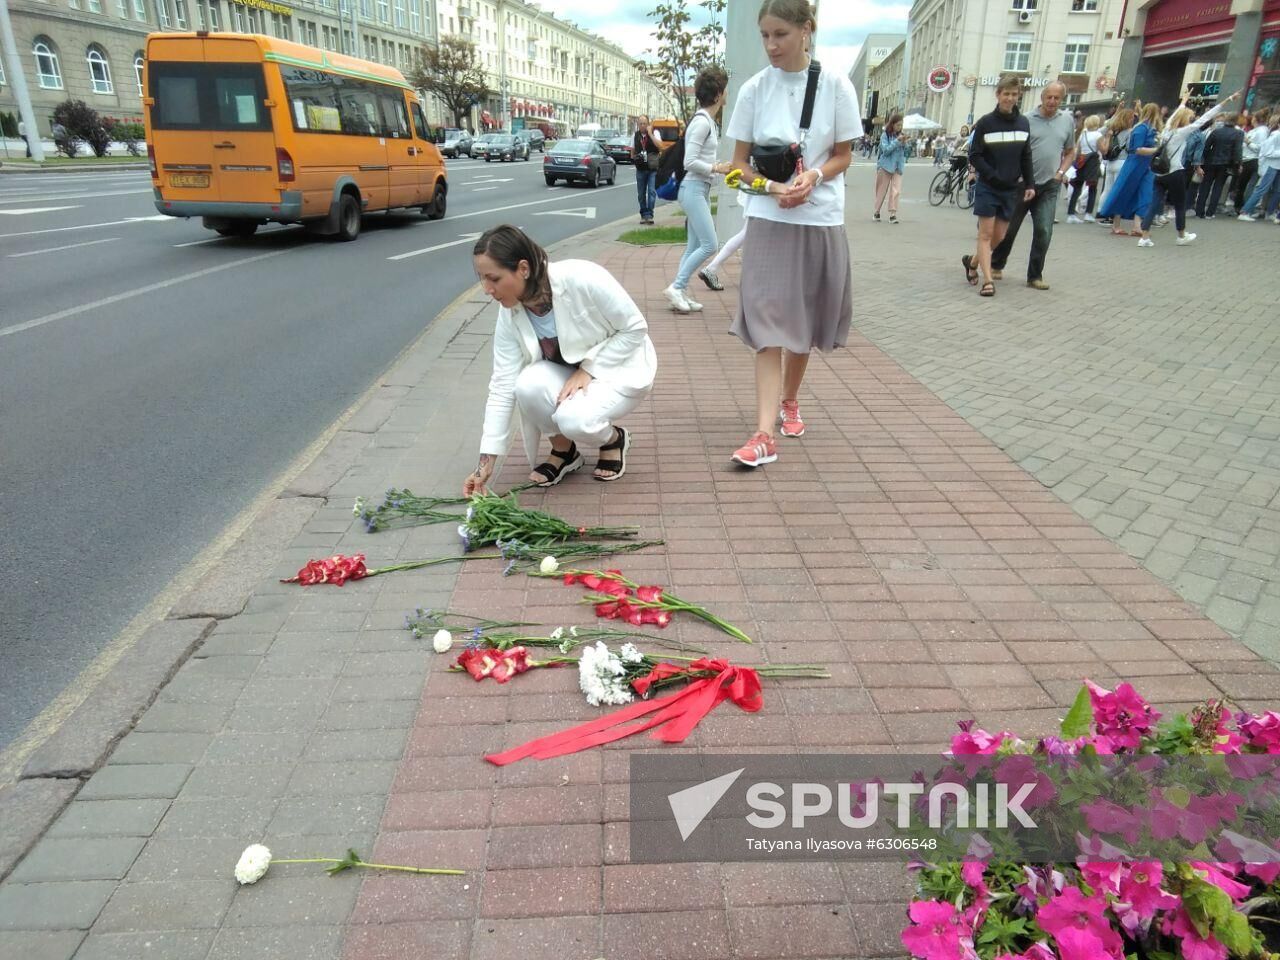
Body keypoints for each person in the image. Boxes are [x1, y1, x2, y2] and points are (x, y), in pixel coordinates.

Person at [723, 0, 860, 467]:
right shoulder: (754, 90)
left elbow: (843, 155)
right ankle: (763, 433)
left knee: (801, 323)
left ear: (807, 30)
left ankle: (789, 399)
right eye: (765, 35)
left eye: (780, 34)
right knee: (765, 323)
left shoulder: (837, 85)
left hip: (819, 218)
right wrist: (771, 185)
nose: (771, 45)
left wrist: (814, 177)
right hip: (768, 218)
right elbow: (736, 167)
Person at [463, 225, 657, 494]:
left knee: (574, 418)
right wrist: (486, 460)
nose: (486, 289)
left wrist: (589, 369)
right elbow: (502, 384)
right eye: (482, 279)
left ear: (523, 268)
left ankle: (613, 440)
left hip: (617, 370)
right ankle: (565, 452)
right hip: (570, 379)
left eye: (493, 279)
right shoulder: (510, 312)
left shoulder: (582, 277)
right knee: (526, 384)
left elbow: (635, 327)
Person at [986, 82, 1075, 290]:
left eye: (1057, 98)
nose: (1052, 101)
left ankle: (1035, 275)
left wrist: (1060, 173)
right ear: (1042, 97)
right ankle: (997, 263)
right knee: (1009, 229)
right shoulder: (1025, 119)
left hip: (1049, 184)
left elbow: (1070, 150)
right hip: (1023, 183)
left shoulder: (1067, 121)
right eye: (1049, 97)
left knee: (1044, 230)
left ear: (1061, 100)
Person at [663, 67, 732, 314]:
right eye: (725, 90)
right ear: (717, 95)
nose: (727, 94)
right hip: (692, 189)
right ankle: (676, 287)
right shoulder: (702, 123)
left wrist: (718, 170)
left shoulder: (708, 122)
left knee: (694, 246)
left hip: (698, 189)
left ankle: (679, 292)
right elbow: (689, 162)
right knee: (710, 245)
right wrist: (717, 167)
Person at [960, 75, 1035, 298]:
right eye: (1006, 94)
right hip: (989, 187)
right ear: (998, 95)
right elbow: (975, 155)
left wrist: (1029, 183)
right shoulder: (985, 123)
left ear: (1018, 96)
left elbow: (1026, 155)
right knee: (985, 234)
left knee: (1000, 236)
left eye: (1013, 94)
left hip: (1011, 188)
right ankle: (988, 281)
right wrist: (991, 175)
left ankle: (972, 262)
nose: (1009, 98)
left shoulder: (1023, 123)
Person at [1136, 90, 1239, 247]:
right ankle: (1181, 235)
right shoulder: (1182, 132)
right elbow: (1205, 118)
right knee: (1180, 205)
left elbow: (1175, 115)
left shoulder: (1166, 129)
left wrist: (1183, 102)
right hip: (1175, 173)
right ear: (1186, 120)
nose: (1192, 120)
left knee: (1154, 203)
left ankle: (1144, 237)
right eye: (1189, 118)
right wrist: (1227, 100)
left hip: (1159, 173)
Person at [1099, 102, 1161, 236]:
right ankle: (1117, 225)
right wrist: (1157, 150)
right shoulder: (1141, 129)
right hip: (1135, 164)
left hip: (1145, 165)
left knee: (1144, 194)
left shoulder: (1148, 128)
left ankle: (1137, 226)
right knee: (1124, 192)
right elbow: (1137, 149)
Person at [1195, 111, 1243, 218]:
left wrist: (1202, 161)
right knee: (1218, 187)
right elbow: (1237, 151)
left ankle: (1199, 211)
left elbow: (1206, 147)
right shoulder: (1238, 133)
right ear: (1235, 122)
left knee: (1205, 186)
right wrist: (1238, 164)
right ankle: (1210, 212)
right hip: (1226, 163)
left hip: (1211, 161)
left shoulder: (1216, 131)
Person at [1238, 119, 1280, 222]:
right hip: (1270, 166)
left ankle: (1269, 213)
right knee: (1262, 189)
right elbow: (1266, 152)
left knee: (1277, 191)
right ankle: (1245, 211)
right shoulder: (1275, 135)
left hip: (1276, 166)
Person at [1067, 115, 1105, 223]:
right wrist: (1107, 140)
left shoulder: (1083, 134)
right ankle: (1088, 213)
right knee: (1092, 188)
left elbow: (1077, 149)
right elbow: (1103, 150)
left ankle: (1071, 213)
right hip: (1092, 161)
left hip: (1081, 160)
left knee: (1077, 187)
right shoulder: (1098, 135)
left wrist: (1076, 161)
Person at [1234, 108, 1270, 213]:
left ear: (1256, 119)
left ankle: (1246, 207)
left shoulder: (1262, 131)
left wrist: (1248, 142)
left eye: (1253, 117)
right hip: (1247, 159)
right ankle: (1241, 206)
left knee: (1248, 185)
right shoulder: (1254, 130)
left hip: (1253, 159)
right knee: (1242, 185)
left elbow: (1260, 148)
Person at [873, 113, 905, 223]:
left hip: (897, 167)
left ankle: (893, 214)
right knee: (881, 190)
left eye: (901, 125)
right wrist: (897, 141)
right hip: (885, 166)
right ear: (892, 124)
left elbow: (904, 152)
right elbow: (885, 150)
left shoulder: (901, 135)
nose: (899, 128)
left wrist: (905, 143)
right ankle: (876, 212)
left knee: (896, 190)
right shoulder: (885, 135)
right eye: (898, 125)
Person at [632, 116, 663, 225]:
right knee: (641, 194)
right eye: (640, 123)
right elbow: (633, 150)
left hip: (652, 168)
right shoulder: (635, 135)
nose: (642, 126)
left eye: (644, 123)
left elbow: (660, 146)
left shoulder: (655, 133)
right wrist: (635, 159)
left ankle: (649, 214)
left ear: (648, 124)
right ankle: (643, 214)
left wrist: (650, 134)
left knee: (651, 192)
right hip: (640, 169)